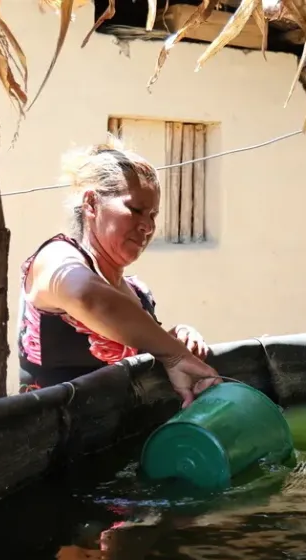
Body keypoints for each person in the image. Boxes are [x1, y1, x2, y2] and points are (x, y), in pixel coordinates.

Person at [16, 137, 220, 406]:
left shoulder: (136, 291)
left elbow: (142, 343)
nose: (147, 226)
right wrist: (173, 354)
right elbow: (86, 295)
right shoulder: (56, 258)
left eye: (153, 215)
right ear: (91, 203)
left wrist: (179, 339)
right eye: (135, 210)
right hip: (55, 441)